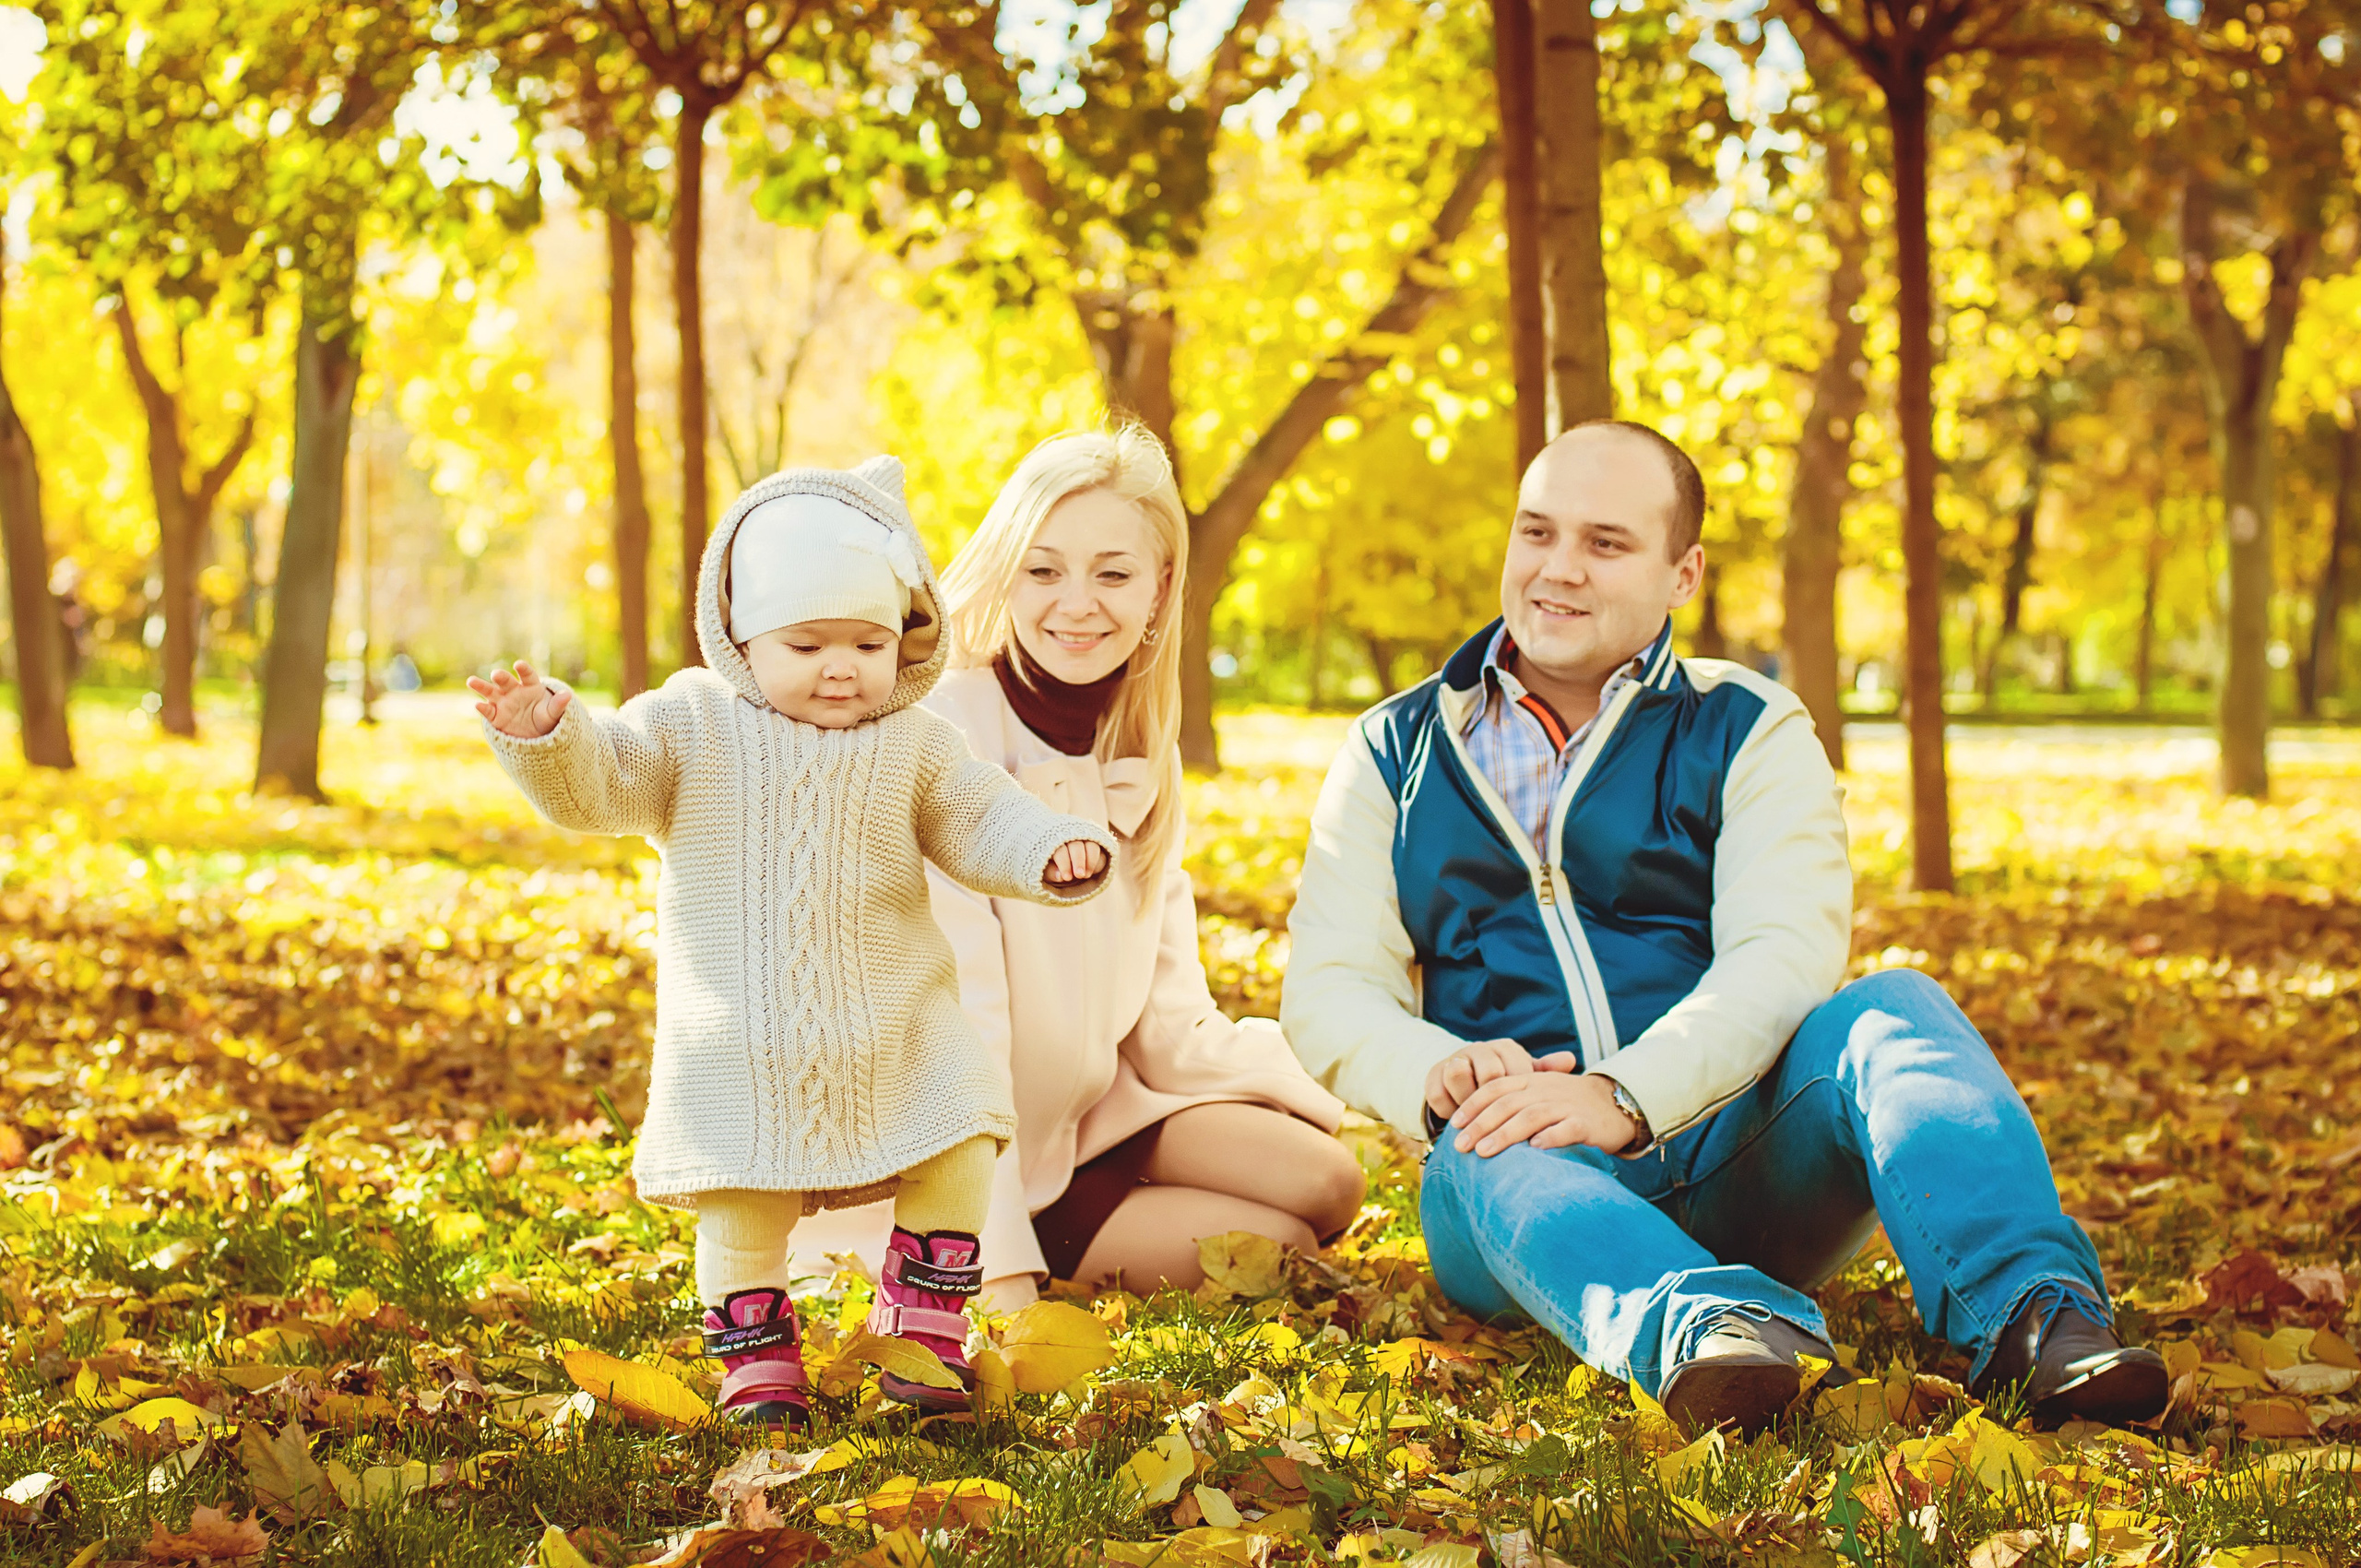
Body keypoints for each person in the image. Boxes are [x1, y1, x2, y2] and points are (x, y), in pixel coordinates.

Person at [1282, 420, 2169, 1434]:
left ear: (1682, 572)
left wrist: (1622, 1094)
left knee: (1895, 1004)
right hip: (1518, 1181)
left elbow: (1782, 955)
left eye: (1604, 544)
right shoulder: (1392, 748)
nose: (1555, 570)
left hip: (1742, 1152)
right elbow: (1328, 986)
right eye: (1535, 533)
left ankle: (2033, 1319)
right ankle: (1715, 1327)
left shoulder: (1749, 724)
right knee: (1488, 1137)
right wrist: (1432, 1069)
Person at [468, 457, 1116, 1429]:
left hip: (897, 1025)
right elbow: (603, 786)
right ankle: (757, 1354)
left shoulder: (916, 740)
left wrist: (1048, 847)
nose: (842, 666)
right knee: (742, 1211)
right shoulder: (690, 723)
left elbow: (980, 814)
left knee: (964, 1135)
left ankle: (925, 1316)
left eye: (866, 640)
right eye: (807, 642)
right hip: (741, 1041)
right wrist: (554, 738)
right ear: (739, 633)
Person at [796, 427, 1362, 1303]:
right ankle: (1035, 1247)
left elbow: (1172, 1017)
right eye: (1045, 569)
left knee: (1330, 1182)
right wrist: (998, 1273)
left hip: (1087, 1119)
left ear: (1161, 587)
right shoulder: (943, 738)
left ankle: (1098, 1212)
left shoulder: (1141, 746)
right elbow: (956, 1035)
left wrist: (1354, 1082)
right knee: (1279, 1248)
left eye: (1113, 572)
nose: (1077, 604)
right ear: (1007, 572)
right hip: (946, 1150)